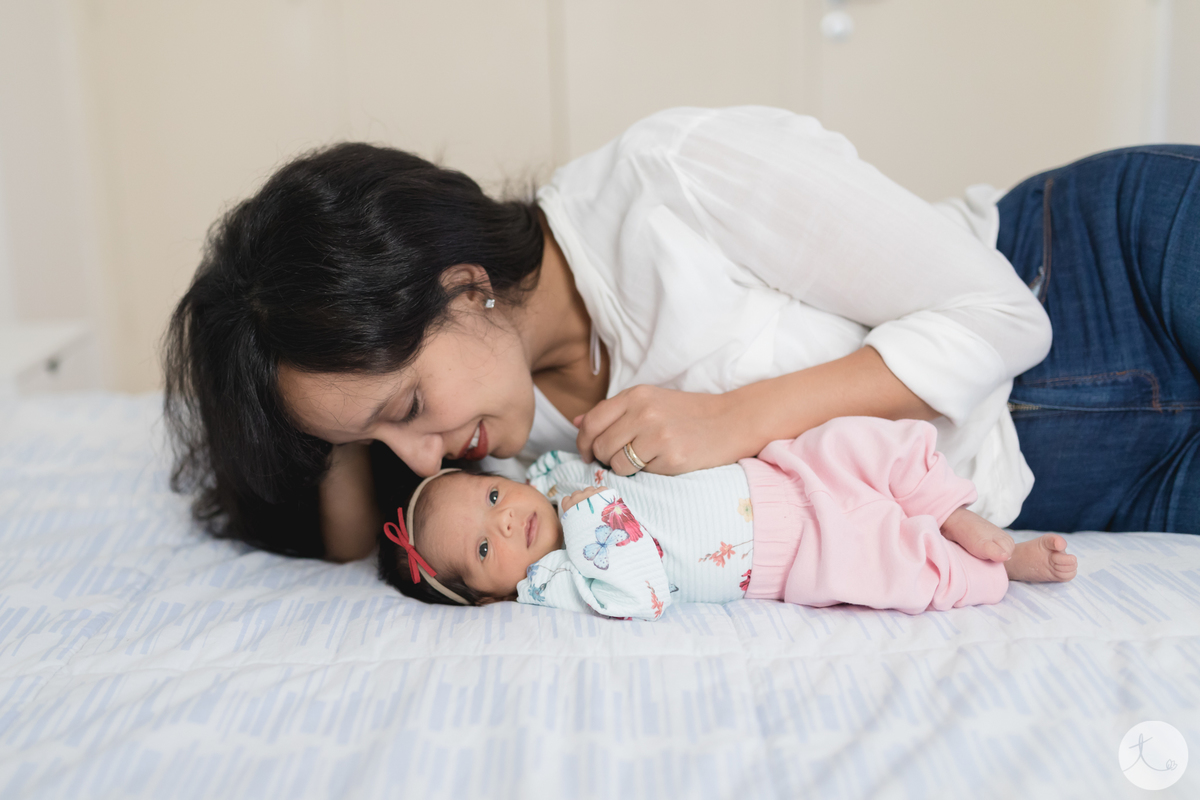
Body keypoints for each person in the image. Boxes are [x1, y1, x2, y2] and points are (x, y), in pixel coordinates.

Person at [163, 106, 1200, 563]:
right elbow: (351, 538)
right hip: (1091, 490)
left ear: (465, 285)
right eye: (381, 441)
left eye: (405, 408)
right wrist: (339, 433)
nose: (424, 454)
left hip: (1109, 272)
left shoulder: (670, 179)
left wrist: (736, 419)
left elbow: (1003, 317)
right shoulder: (512, 466)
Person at [377, 416, 1077, 617]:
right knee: (892, 567)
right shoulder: (559, 581)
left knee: (861, 441)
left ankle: (950, 508)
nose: (503, 521)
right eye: (481, 546)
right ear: (492, 593)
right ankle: (996, 565)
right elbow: (642, 593)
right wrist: (587, 510)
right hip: (787, 557)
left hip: (775, 471)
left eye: (491, 497)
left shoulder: (553, 472)